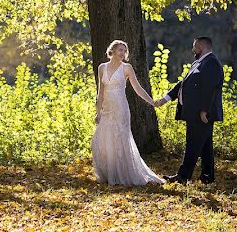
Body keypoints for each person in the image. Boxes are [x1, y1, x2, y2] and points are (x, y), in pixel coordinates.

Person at [92, 40, 164, 185]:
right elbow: (101, 93)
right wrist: (98, 112)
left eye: (124, 51)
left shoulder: (127, 68)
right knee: (104, 139)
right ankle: (109, 174)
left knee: (120, 140)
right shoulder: (102, 68)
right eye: (120, 50)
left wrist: (152, 101)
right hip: (107, 109)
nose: (122, 53)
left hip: (121, 108)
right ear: (112, 50)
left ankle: (123, 174)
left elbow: (137, 88)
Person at [154, 36, 224, 184]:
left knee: (192, 143)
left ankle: (183, 176)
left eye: (194, 46)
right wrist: (165, 99)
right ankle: (207, 177)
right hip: (194, 111)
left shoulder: (211, 63)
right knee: (205, 145)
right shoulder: (198, 63)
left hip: (202, 113)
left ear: (200, 46)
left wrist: (204, 110)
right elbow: (183, 83)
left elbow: (209, 88)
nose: (193, 49)